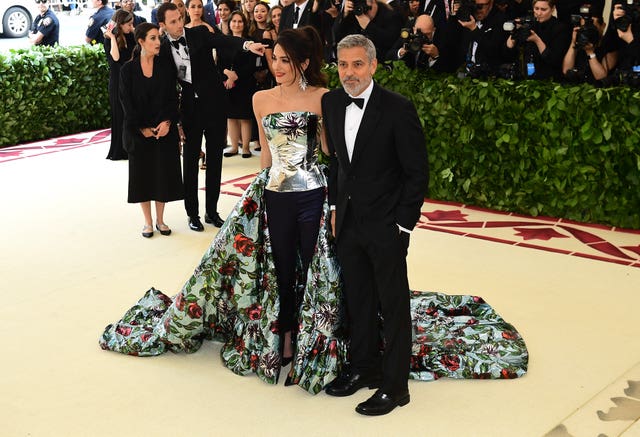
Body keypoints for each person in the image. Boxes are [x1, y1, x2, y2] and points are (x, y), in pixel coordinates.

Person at [99, 27, 528, 397]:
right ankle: (295, 343)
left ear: (304, 61)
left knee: (332, 278)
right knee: (288, 273)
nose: (278, 65)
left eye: (285, 59)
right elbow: (269, 159)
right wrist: (256, 204)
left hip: (320, 197)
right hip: (280, 197)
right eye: (273, 58)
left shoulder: (330, 99)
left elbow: (339, 156)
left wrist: (370, 212)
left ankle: (358, 365)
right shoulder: (267, 98)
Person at [322, 34, 429, 416]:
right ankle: (363, 367)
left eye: (356, 64)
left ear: (372, 66)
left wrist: (403, 225)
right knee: (358, 299)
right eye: (342, 65)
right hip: (349, 221)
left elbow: (416, 173)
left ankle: (395, 385)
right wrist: (336, 207)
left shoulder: (398, 108)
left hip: (387, 224)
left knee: (393, 303)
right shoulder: (331, 102)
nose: (348, 73)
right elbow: (336, 163)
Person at [157, 2, 266, 231]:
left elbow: (224, 41)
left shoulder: (199, 33)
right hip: (189, 110)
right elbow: (165, 87)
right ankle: (192, 214)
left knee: (215, 160)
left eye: (180, 18)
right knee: (190, 163)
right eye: (173, 21)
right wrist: (175, 120)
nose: (179, 24)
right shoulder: (162, 49)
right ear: (163, 25)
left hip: (215, 105)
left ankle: (211, 212)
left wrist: (247, 44)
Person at [119, 22, 183, 238]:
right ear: (141, 41)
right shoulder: (127, 70)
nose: (158, 42)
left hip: (163, 130)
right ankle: (147, 222)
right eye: (153, 38)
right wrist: (141, 129)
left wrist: (167, 123)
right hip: (139, 132)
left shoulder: (165, 66)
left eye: (159, 38)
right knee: (142, 176)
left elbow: (172, 99)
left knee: (162, 175)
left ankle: (161, 220)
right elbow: (126, 104)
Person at [220, 11, 260, 158]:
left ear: (244, 23)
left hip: (245, 82)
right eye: (234, 21)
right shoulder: (224, 41)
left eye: (240, 21)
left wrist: (236, 76)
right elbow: (219, 63)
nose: (237, 24)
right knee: (231, 117)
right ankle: (234, 146)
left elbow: (252, 65)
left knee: (245, 117)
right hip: (227, 83)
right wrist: (228, 75)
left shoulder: (250, 42)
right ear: (229, 23)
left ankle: (246, 148)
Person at [504, 0, 570, 80]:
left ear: (552, 9)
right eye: (536, 8)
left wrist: (537, 40)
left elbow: (554, 60)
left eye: (543, 9)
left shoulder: (560, 28)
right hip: (522, 77)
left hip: (549, 80)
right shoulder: (528, 23)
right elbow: (506, 52)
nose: (539, 13)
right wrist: (513, 32)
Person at [104, 9, 136, 160]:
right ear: (120, 24)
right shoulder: (108, 39)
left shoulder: (131, 37)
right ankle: (119, 149)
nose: (131, 27)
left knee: (130, 113)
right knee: (119, 115)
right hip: (117, 81)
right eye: (129, 24)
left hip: (130, 79)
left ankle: (131, 146)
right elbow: (115, 58)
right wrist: (111, 37)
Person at [334, 0, 403, 61]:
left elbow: (390, 43)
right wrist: (344, 14)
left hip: (380, 66)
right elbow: (336, 37)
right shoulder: (353, 14)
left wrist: (368, 26)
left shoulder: (391, 15)